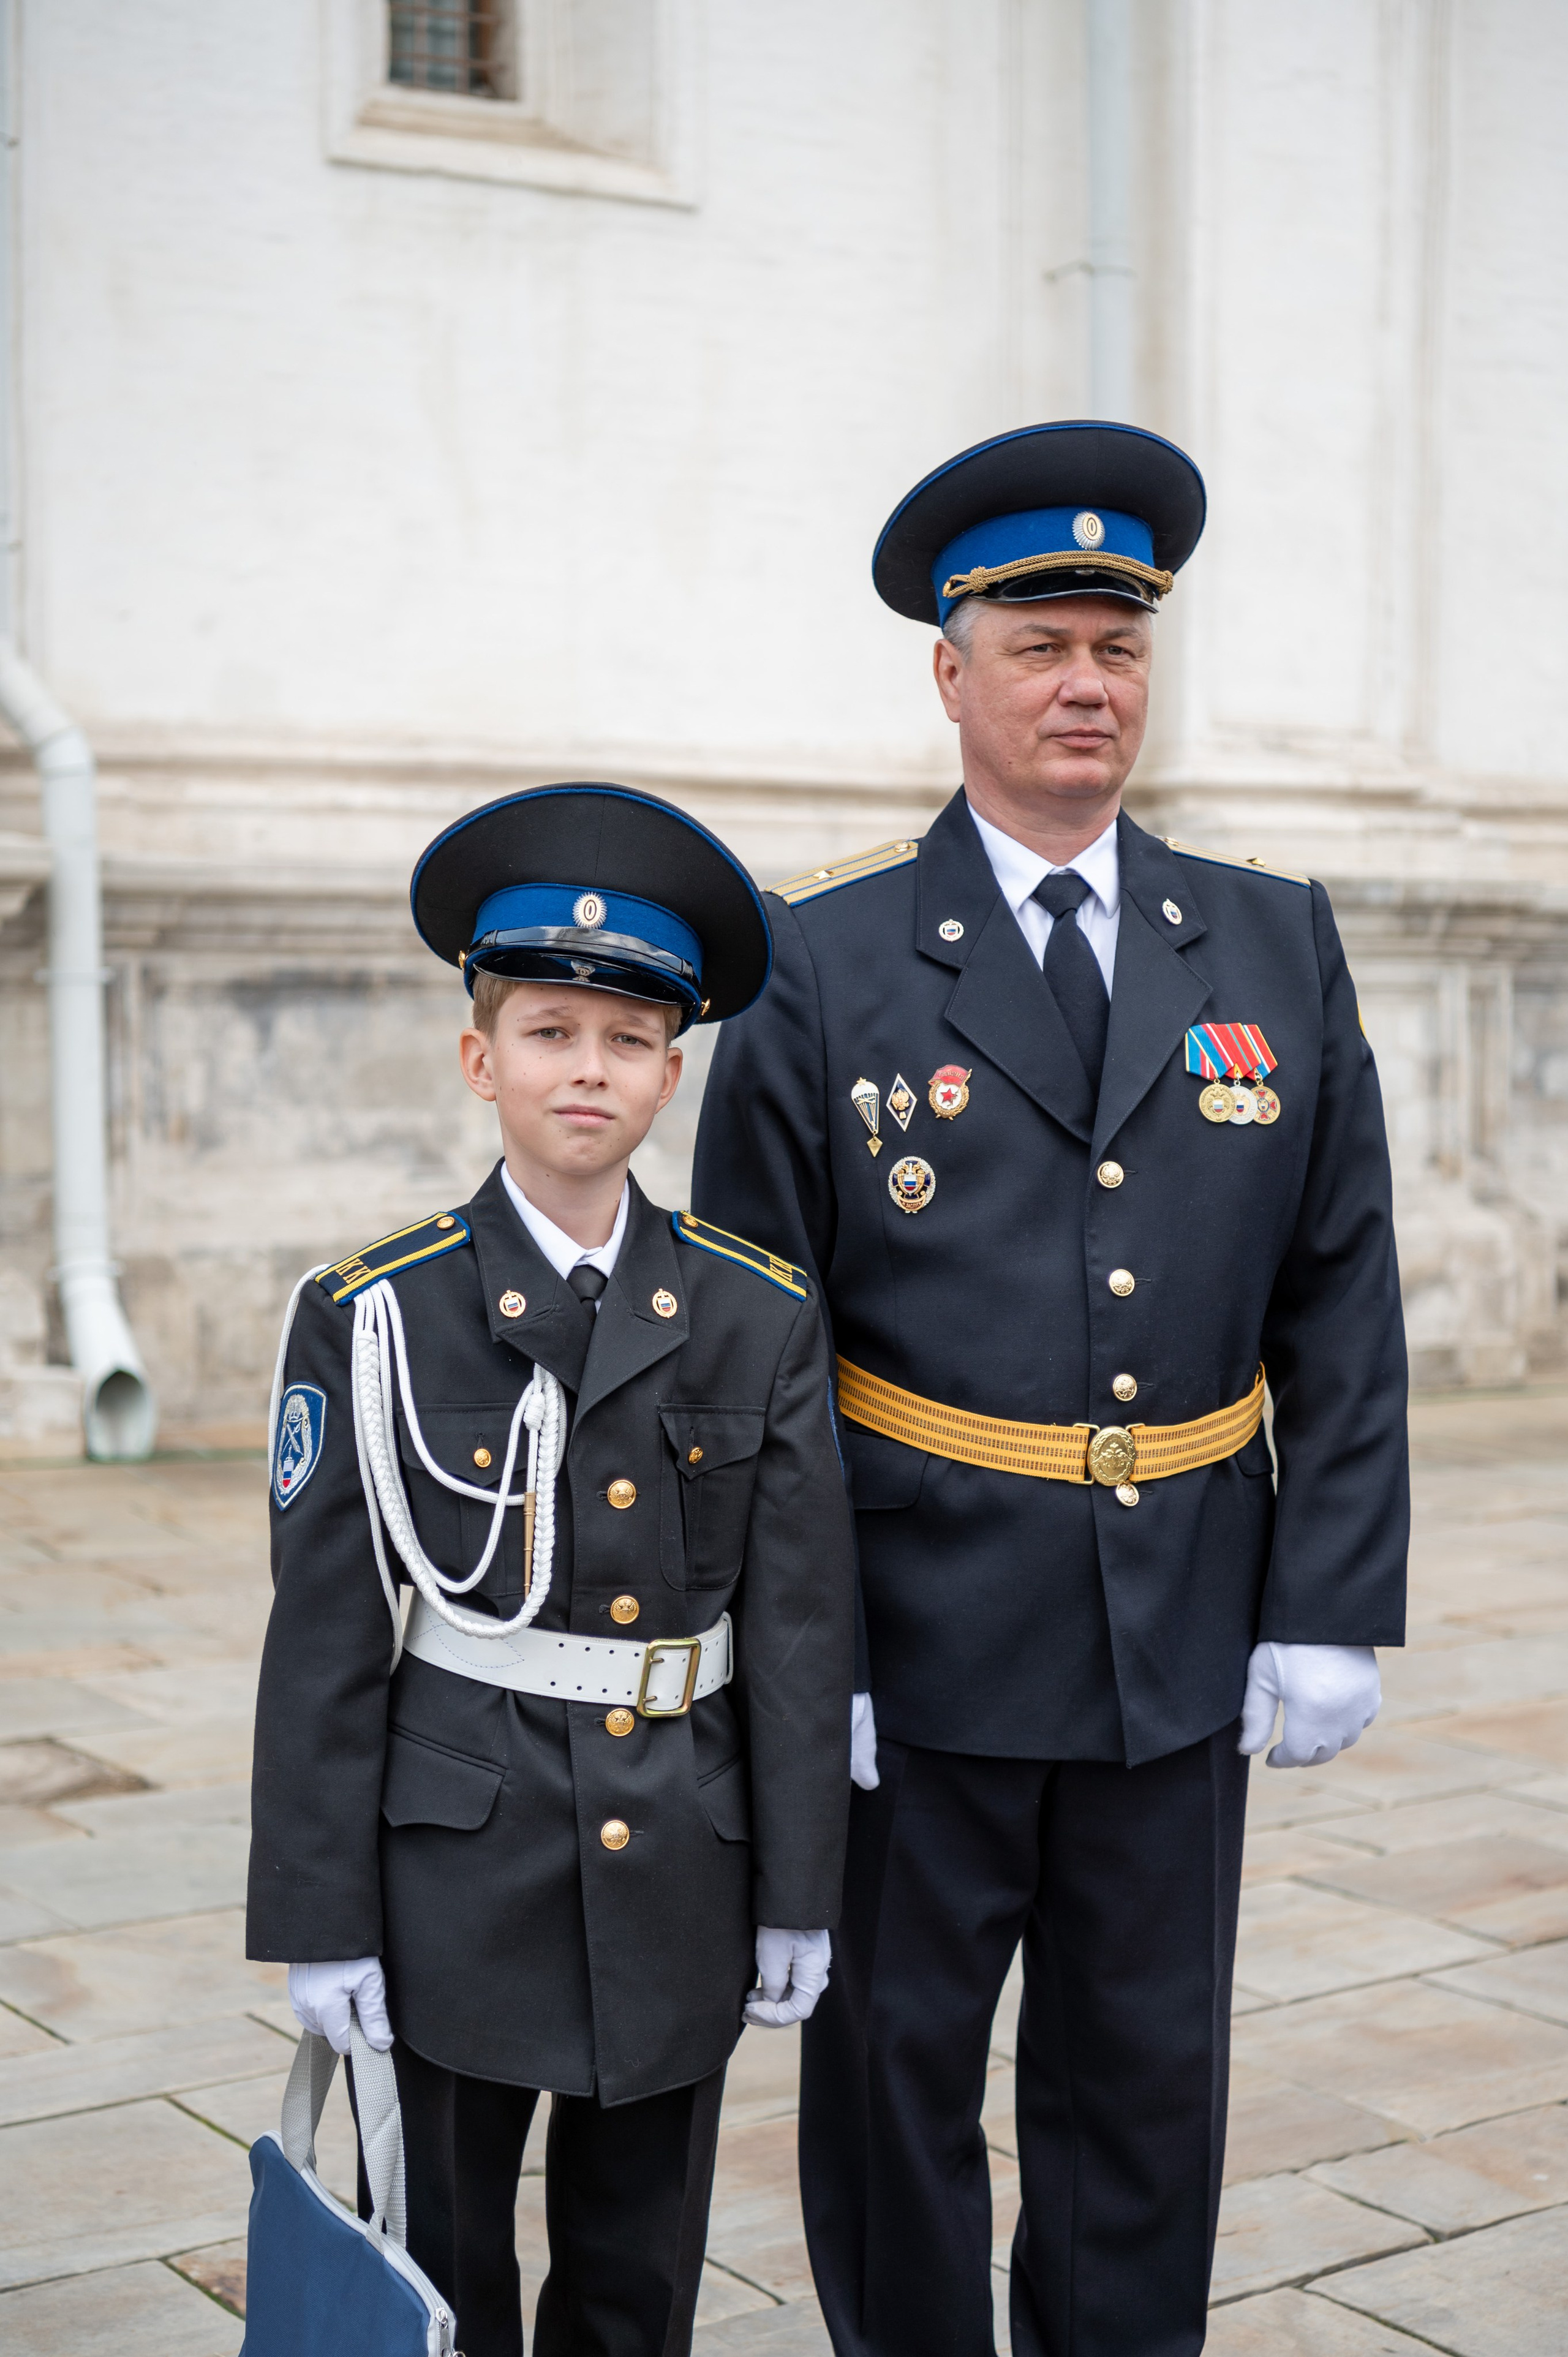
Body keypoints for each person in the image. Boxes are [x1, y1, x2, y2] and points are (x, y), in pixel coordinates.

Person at [692, 420, 1408, 2357]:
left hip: (1178, 1626)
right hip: (914, 1647)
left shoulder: (1269, 933)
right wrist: (793, 1645)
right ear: (952, 669)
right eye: (1040, 644)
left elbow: (1340, 1286)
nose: (1088, 683)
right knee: (895, 2087)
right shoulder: (816, 961)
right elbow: (753, 1360)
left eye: (1120, 644)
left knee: (1146, 2084)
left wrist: (1329, 1600)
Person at [246, 782, 856, 2357]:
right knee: (442, 2260)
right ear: (479, 1057)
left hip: (681, 1862)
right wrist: (321, 1915)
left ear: (672, 1068)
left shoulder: (754, 1310)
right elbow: (324, 1632)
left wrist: (798, 1888)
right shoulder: (375, 1309)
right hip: (455, 1863)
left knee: (639, 2272)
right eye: (547, 1029)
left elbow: (793, 1620)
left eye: (626, 1037)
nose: (587, 1067)